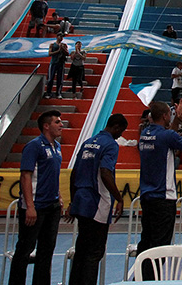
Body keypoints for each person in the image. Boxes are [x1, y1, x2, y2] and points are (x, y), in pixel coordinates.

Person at [67, 113, 128, 285]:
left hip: (81, 201)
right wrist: (119, 198)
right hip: (97, 202)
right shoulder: (110, 145)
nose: (120, 135)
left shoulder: (87, 142)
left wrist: (73, 201)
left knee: (81, 249)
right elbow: (105, 172)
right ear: (116, 127)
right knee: (94, 252)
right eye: (121, 131)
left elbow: (74, 173)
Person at [137, 99, 182, 278]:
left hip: (147, 196)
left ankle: (140, 278)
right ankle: (150, 280)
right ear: (164, 116)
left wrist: (176, 119)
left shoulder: (145, 133)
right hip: (164, 197)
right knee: (159, 247)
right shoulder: (166, 136)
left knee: (146, 242)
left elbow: (168, 135)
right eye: (170, 115)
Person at [9, 110, 64, 285]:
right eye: (57, 122)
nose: (61, 125)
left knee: (47, 250)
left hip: (52, 206)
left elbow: (53, 174)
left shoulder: (57, 147)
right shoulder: (34, 146)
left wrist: (59, 196)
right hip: (36, 206)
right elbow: (26, 176)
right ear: (46, 126)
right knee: (25, 249)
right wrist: (30, 206)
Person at [44, 32, 69, 99]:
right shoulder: (52, 45)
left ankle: (58, 93)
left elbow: (67, 53)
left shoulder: (64, 45)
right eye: (60, 36)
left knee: (60, 79)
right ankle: (48, 92)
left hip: (61, 63)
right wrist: (58, 50)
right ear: (57, 37)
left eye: (62, 37)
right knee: (51, 78)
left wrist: (63, 49)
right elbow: (50, 53)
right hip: (54, 62)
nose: (61, 38)